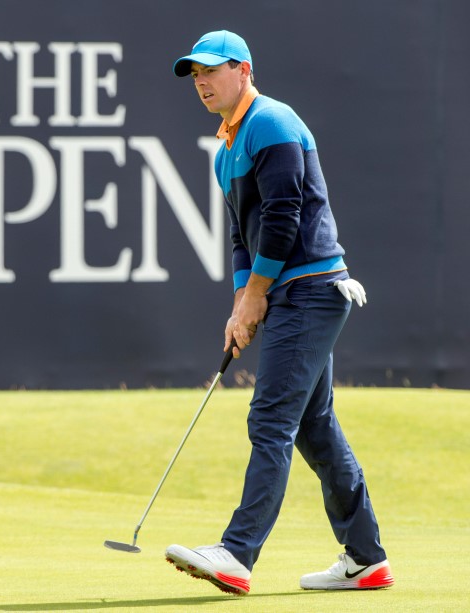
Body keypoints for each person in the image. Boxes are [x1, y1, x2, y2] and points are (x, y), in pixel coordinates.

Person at [163, 30, 393, 596]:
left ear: (243, 69)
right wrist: (243, 303)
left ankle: (237, 554)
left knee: (270, 420)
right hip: (288, 293)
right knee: (315, 429)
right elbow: (245, 239)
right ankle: (366, 558)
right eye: (194, 75)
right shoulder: (225, 153)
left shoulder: (272, 122)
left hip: (313, 287)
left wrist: (258, 294)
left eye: (211, 71)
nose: (202, 83)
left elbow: (286, 218)